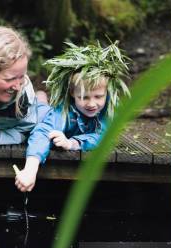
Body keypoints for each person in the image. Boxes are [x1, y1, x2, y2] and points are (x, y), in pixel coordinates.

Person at [14, 42, 130, 192]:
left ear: (107, 93)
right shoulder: (64, 110)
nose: (92, 104)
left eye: (98, 96)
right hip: (43, 113)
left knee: (44, 106)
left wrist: (73, 143)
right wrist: (30, 169)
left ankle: (42, 97)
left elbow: (106, 136)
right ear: (72, 94)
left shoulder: (109, 110)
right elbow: (42, 132)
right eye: (84, 97)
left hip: (72, 135)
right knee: (41, 110)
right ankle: (41, 98)